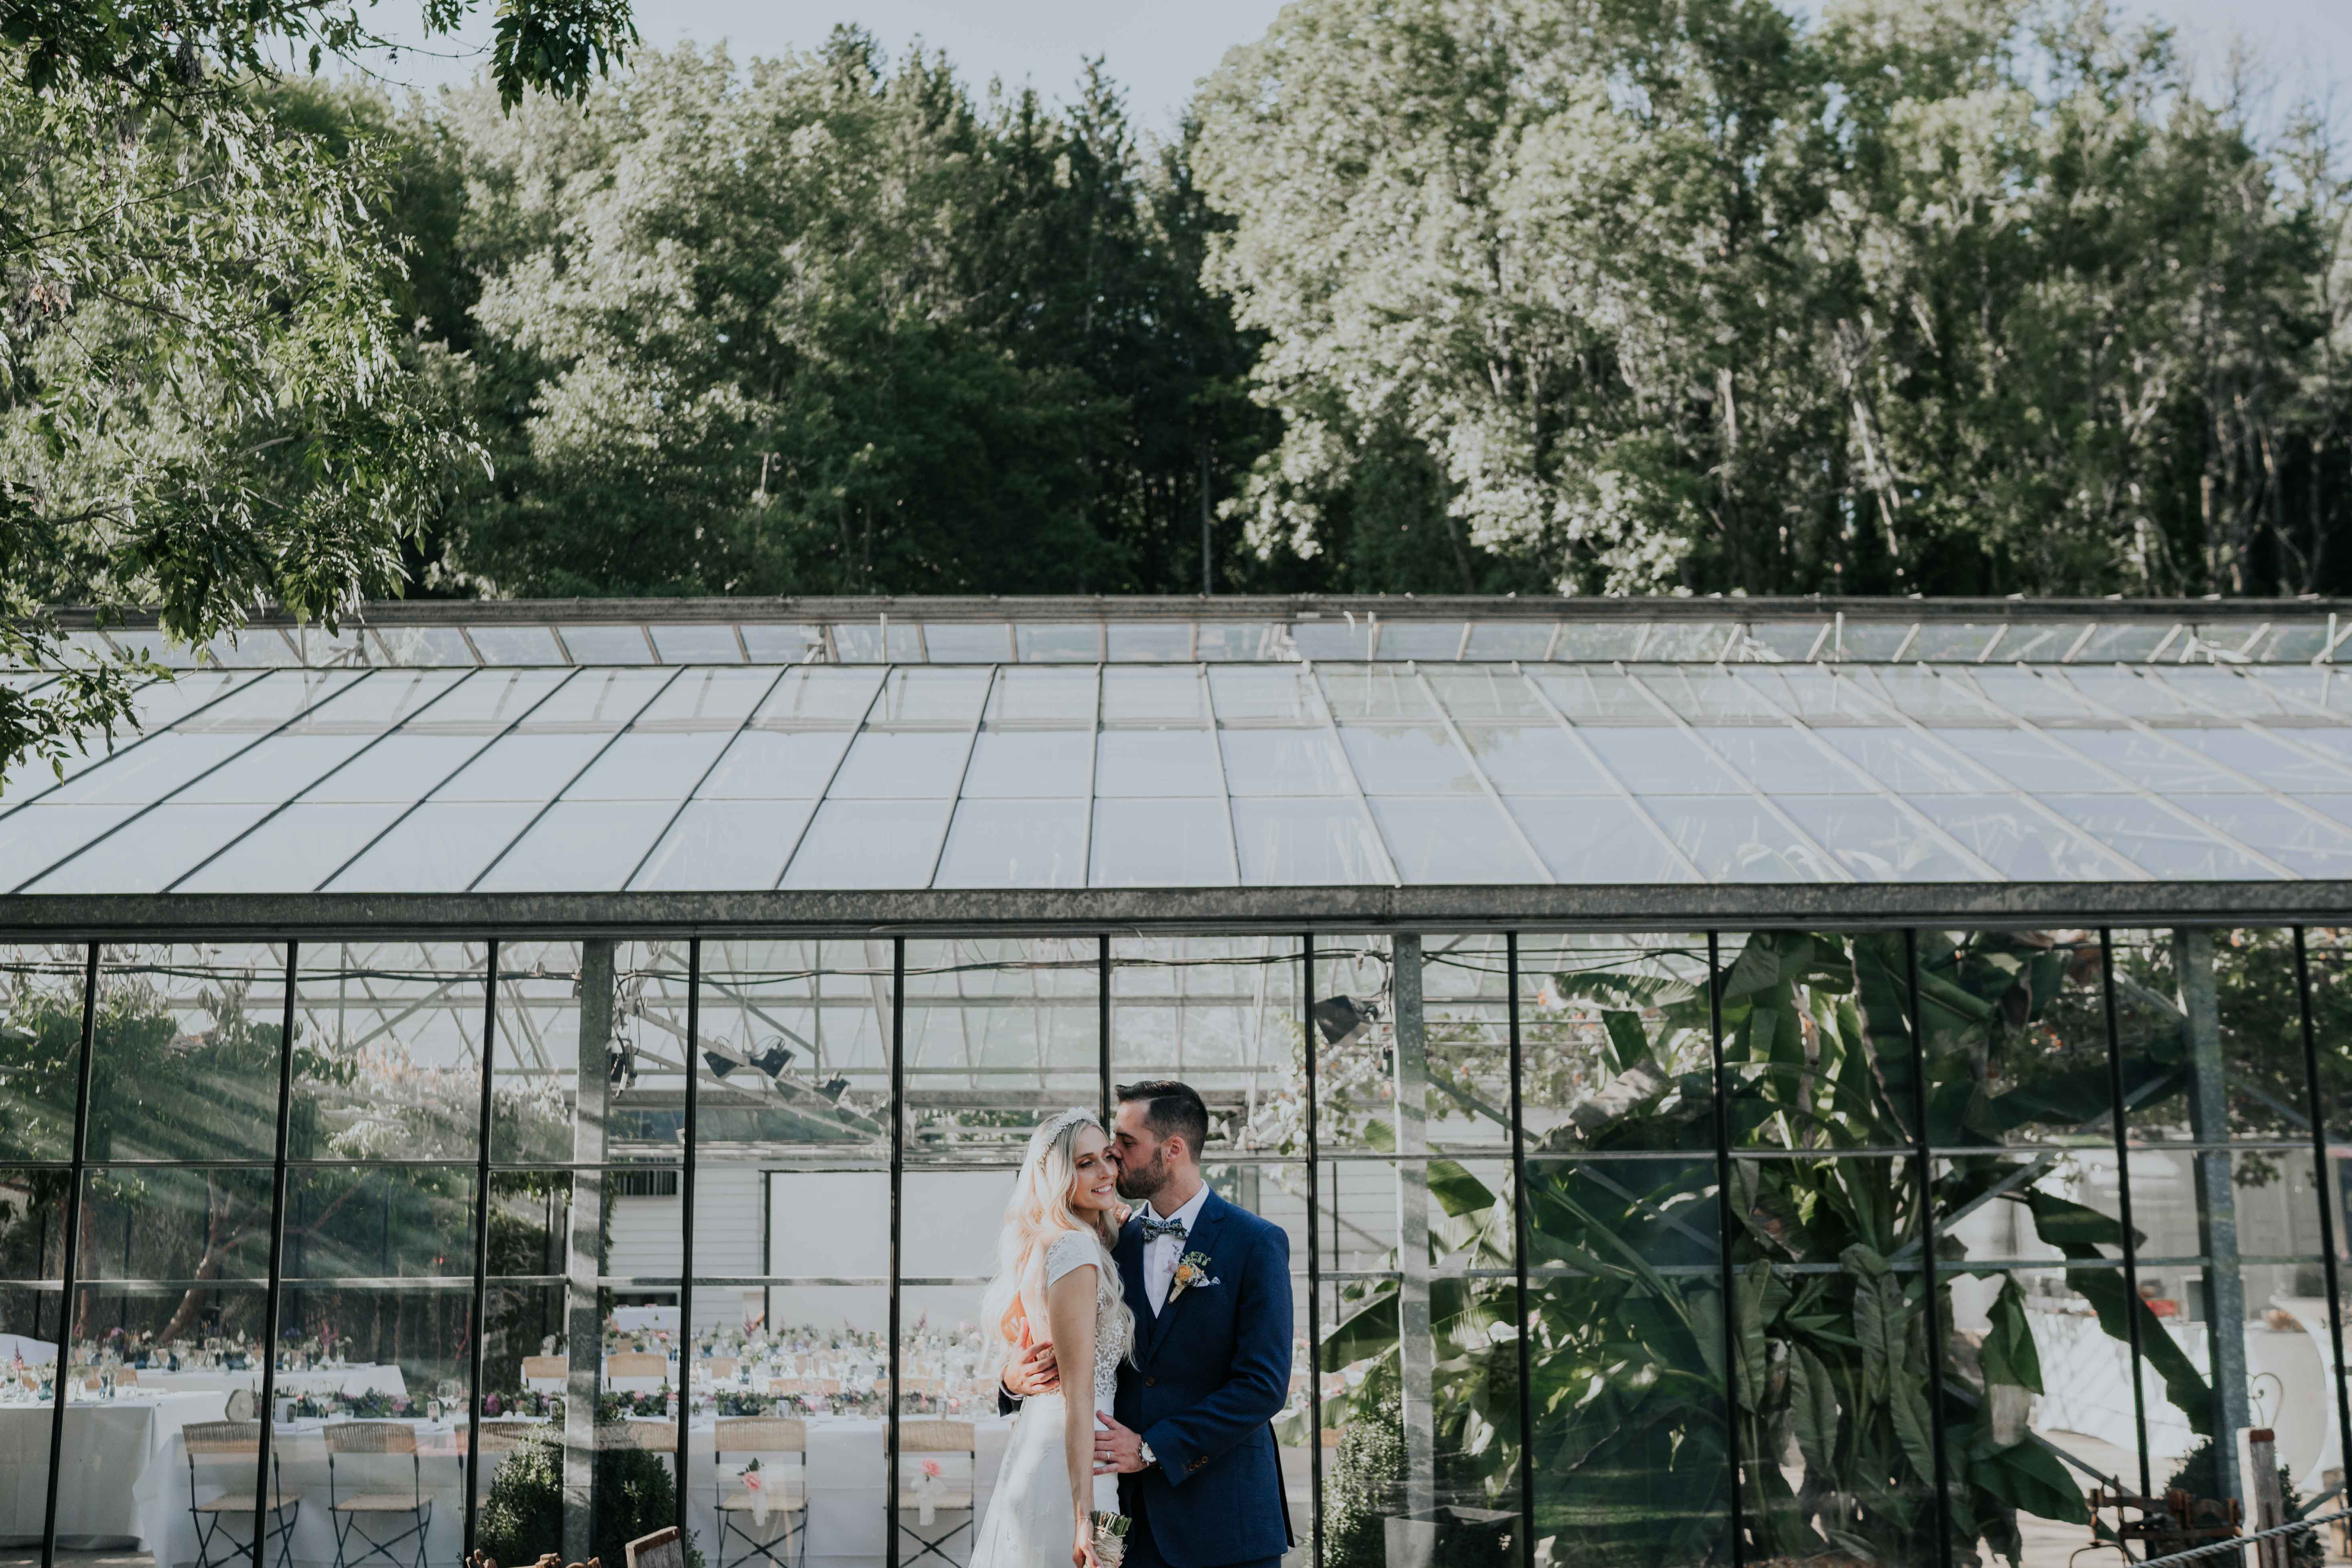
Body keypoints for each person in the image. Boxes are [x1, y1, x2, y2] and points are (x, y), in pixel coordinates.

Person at [1000, 1081, 1293, 1568]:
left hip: (1225, 1521)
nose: (1113, 1152)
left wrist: (1153, 1448)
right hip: (1127, 1521)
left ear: (1173, 1149)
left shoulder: (1255, 1242)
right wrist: (1013, 1381)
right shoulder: (1102, 1244)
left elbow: (1263, 1385)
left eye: (1126, 1141)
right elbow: (1069, 1351)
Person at [970, 1109, 1135, 1568]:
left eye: (1108, 1156)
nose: (1106, 1171)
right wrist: (1086, 1514)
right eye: (1086, 1163)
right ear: (1058, 1175)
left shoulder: (1053, 1241)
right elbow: (1078, 1393)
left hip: (1047, 1448)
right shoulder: (1075, 1248)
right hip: (1084, 1466)